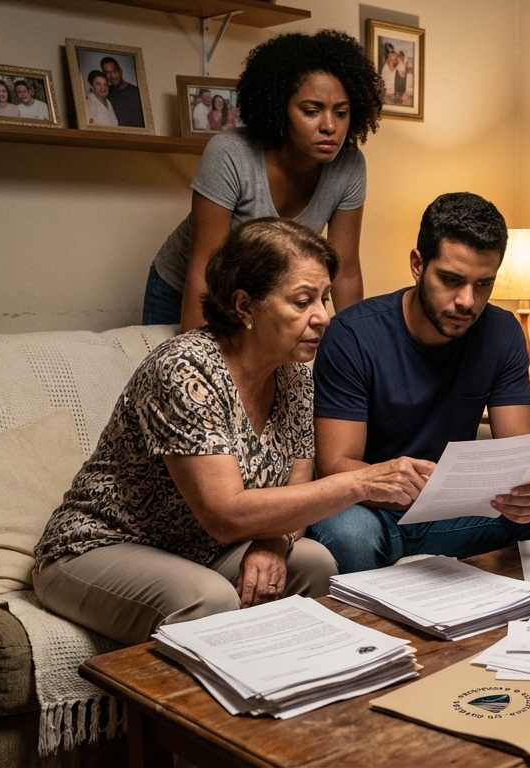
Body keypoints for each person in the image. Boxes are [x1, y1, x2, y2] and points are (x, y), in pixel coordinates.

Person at [33, 218, 433, 645]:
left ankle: (304, 692)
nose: (324, 318)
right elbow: (224, 514)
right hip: (100, 545)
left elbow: (296, 486)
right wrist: (359, 482)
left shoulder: (293, 373)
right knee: (207, 601)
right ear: (244, 306)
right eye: (302, 302)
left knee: (315, 562)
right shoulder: (185, 370)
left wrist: (274, 542)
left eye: (324, 298)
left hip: (198, 547)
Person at [306, 192, 530, 573]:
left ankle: (510, 617)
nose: (467, 301)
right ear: (418, 264)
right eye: (451, 279)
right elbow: (334, 466)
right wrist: (388, 479)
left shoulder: (501, 333)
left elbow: (518, 458)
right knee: (348, 533)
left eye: (483, 284)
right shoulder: (353, 335)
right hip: (375, 511)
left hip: (460, 511)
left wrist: (523, 491)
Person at [145, 30, 384, 328]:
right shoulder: (230, 153)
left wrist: (356, 348)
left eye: (342, 112)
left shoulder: (349, 165)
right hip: (184, 286)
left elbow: (345, 271)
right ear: (278, 109)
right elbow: (204, 271)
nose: (329, 126)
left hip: (258, 294)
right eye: (311, 111)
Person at [100, 56, 144, 127]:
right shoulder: (104, 95)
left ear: (120, 71)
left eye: (114, 71)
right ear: (104, 76)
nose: (112, 76)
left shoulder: (137, 92)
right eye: (107, 73)